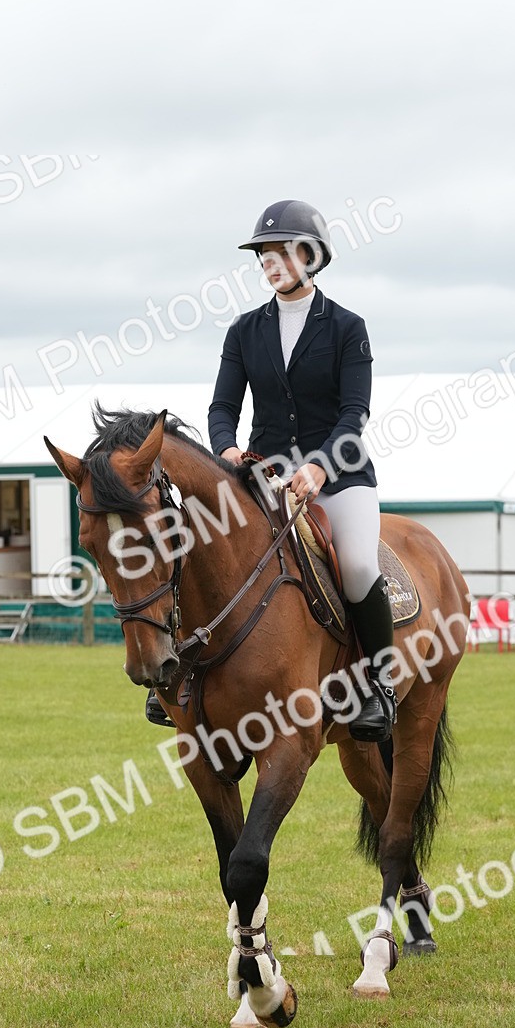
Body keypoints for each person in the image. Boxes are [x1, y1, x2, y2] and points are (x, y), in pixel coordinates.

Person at [145, 199, 396, 743]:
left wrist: (319, 468)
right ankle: (174, 674)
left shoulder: (348, 328)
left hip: (339, 476)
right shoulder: (244, 331)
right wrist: (226, 449)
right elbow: (221, 409)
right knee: (196, 547)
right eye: (264, 255)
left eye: (281, 252)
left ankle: (378, 682)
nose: (269, 263)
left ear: (311, 256)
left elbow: (355, 414)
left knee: (355, 565)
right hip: (261, 475)